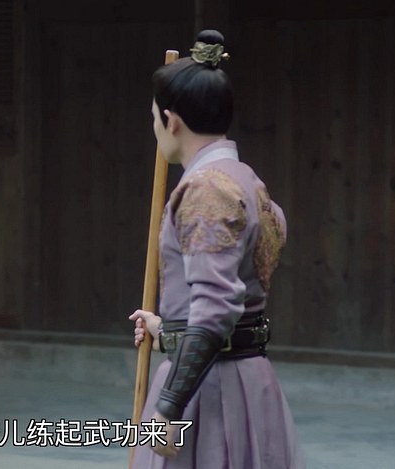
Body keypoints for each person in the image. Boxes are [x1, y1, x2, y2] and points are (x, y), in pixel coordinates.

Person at [129, 31, 305, 468]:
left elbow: (215, 309)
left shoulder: (208, 190)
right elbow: (224, 299)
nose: (156, 130)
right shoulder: (246, 180)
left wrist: (169, 406)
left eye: (154, 119)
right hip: (241, 378)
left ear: (171, 121)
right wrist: (168, 328)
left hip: (209, 394)